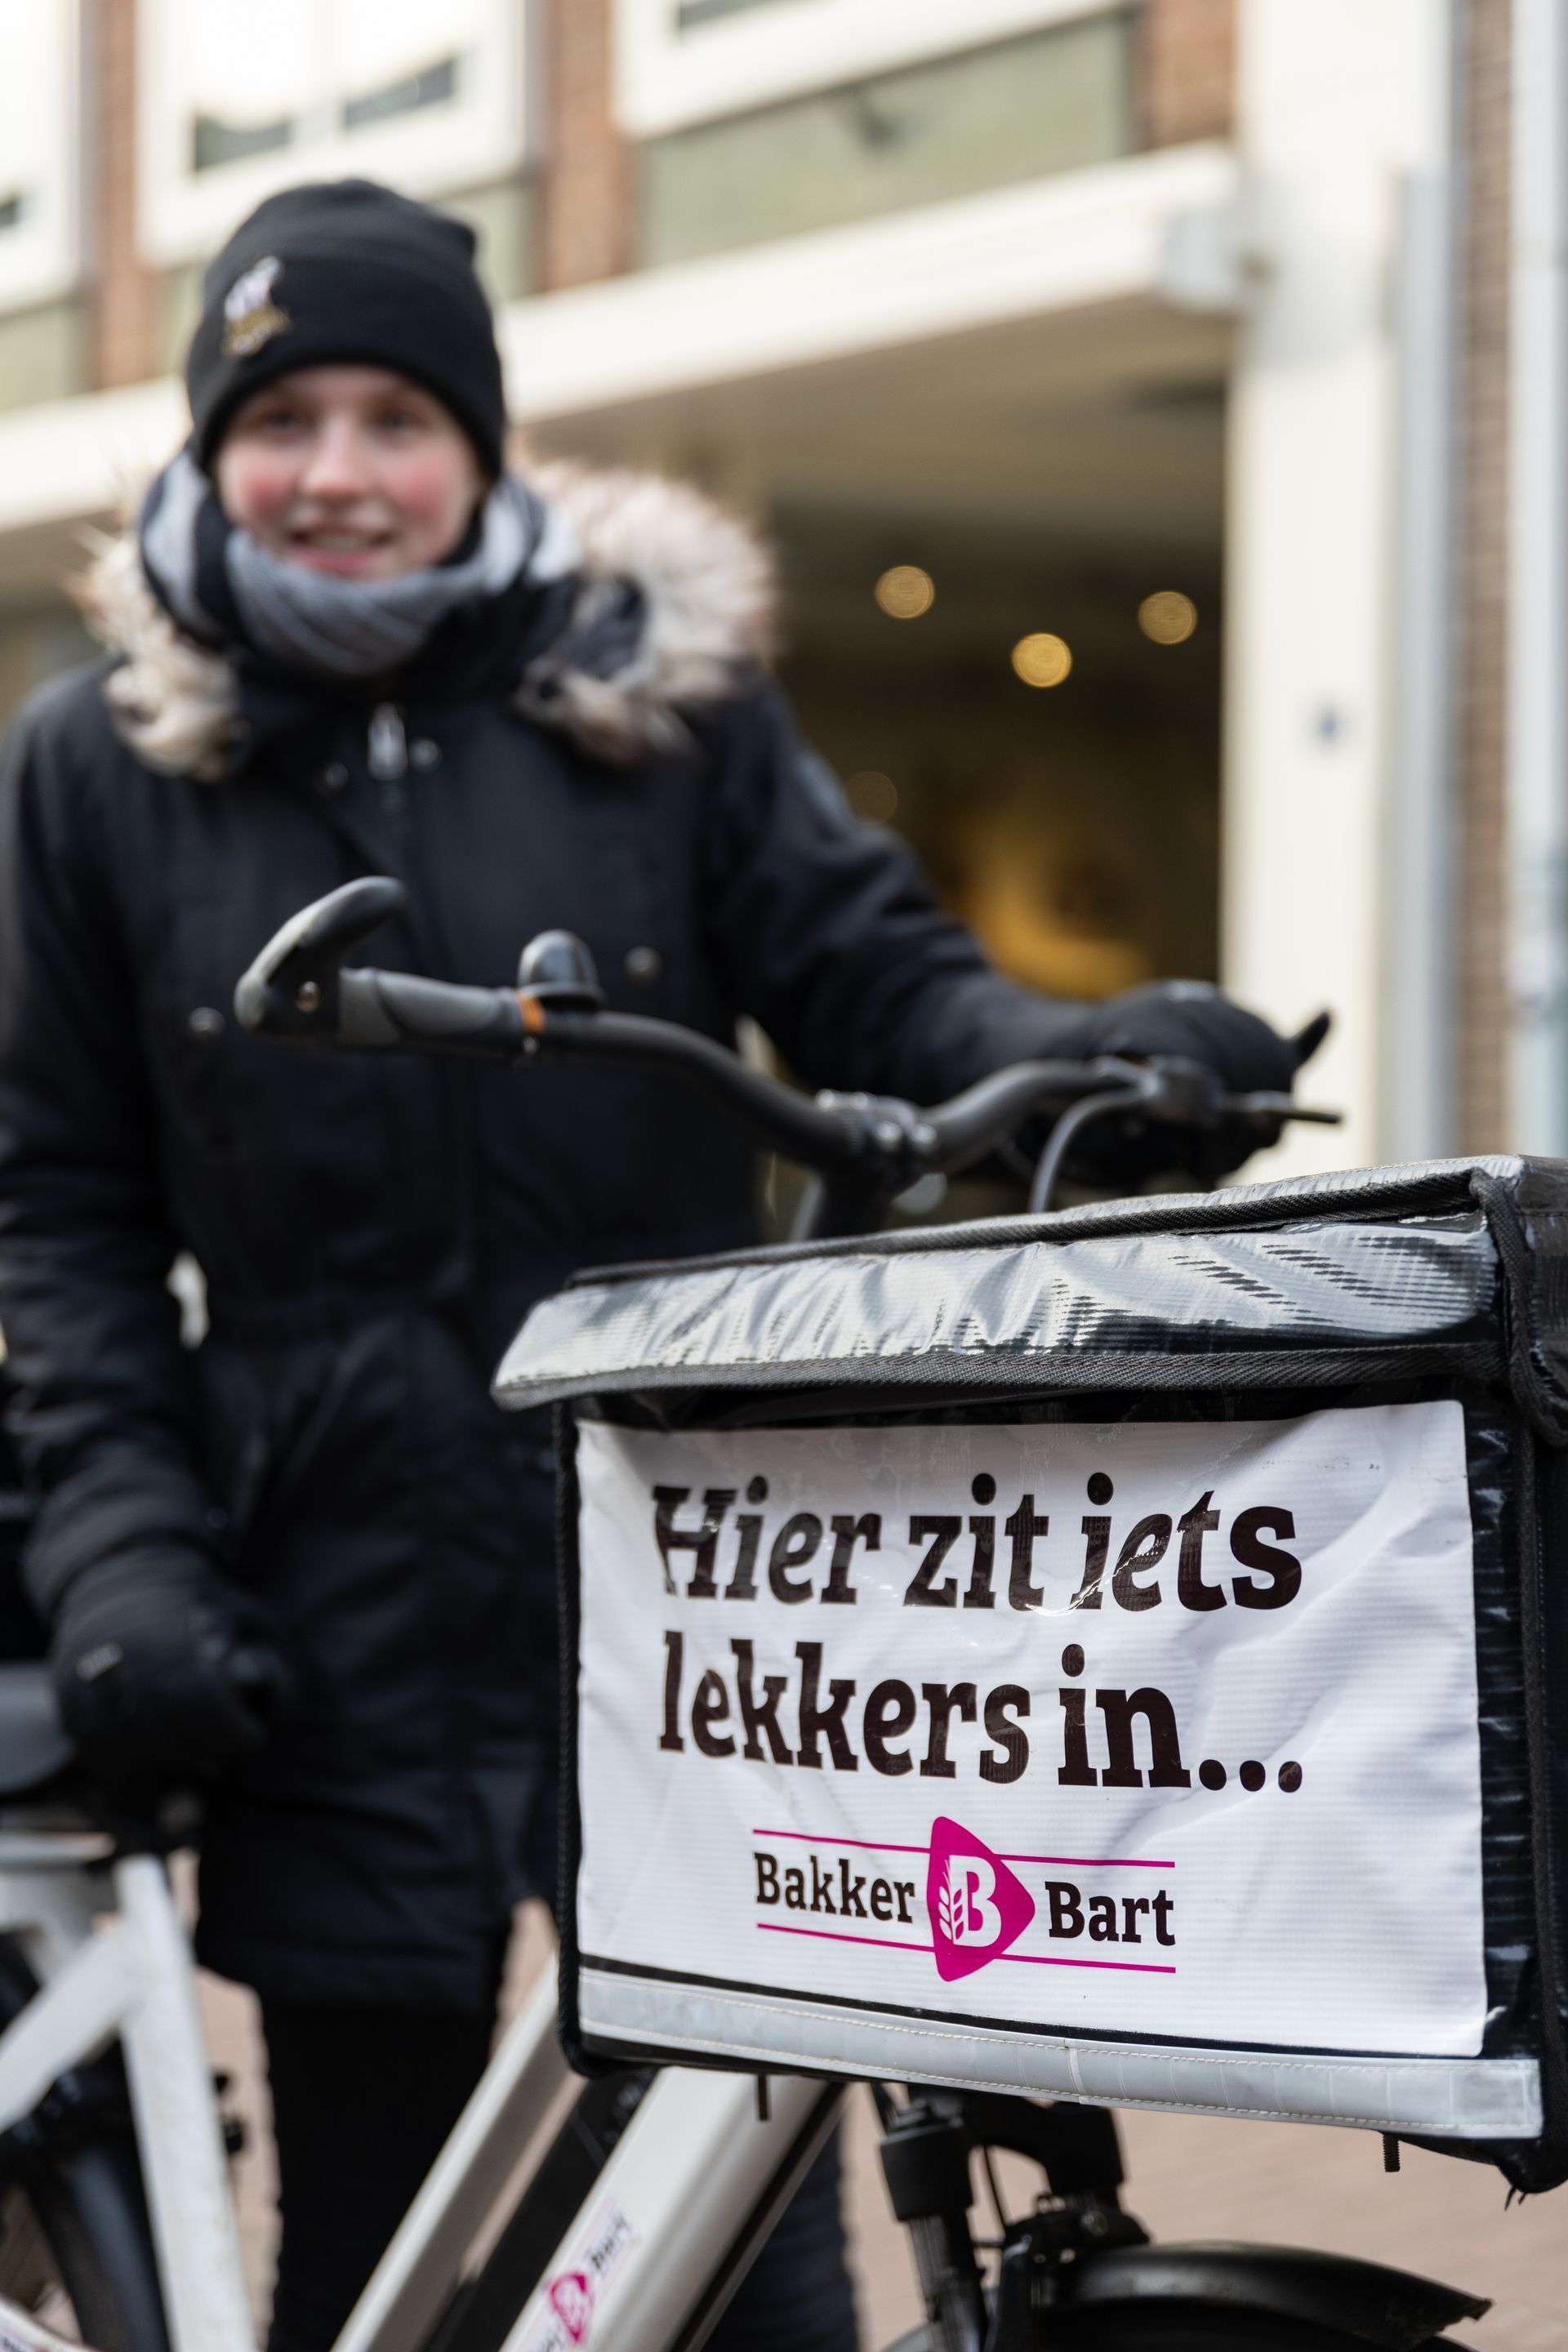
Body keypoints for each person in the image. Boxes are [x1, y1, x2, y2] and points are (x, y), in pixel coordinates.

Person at [0, 180, 1304, 2352]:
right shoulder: (97, 765)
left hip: (689, 1567)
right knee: (383, 2250)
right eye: (281, 420)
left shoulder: (655, 708)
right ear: (211, 448)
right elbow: (63, 1208)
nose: (336, 473)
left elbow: (881, 981)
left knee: (736, 2249)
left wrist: (1090, 1059)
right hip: (329, 1598)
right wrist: (123, 1553)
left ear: (480, 442)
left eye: (397, 418)